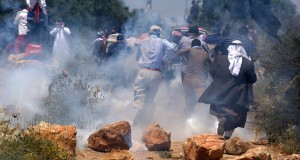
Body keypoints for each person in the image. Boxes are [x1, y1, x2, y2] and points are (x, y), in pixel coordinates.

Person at [198, 40, 257, 139]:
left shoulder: (220, 59)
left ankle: (222, 119)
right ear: (242, 48)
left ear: (229, 48)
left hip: (219, 92)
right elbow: (252, 79)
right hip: (238, 95)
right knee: (236, 115)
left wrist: (219, 80)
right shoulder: (247, 63)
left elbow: (212, 71)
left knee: (218, 110)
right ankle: (227, 136)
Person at [132, 25, 176, 128]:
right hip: (156, 73)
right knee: (150, 99)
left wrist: (141, 61)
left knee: (139, 98)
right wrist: (165, 58)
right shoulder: (162, 41)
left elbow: (137, 57)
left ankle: (138, 121)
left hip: (143, 72)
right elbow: (172, 48)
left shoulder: (142, 41)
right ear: (159, 33)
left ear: (150, 32)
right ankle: (145, 121)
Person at [173, 39, 211, 119]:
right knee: (202, 101)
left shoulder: (189, 50)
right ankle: (201, 119)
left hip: (188, 80)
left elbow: (178, 54)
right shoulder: (205, 54)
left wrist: (170, 60)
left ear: (191, 45)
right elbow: (211, 64)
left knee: (188, 99)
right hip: (200, 81)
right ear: (200, 46)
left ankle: (189, 118)